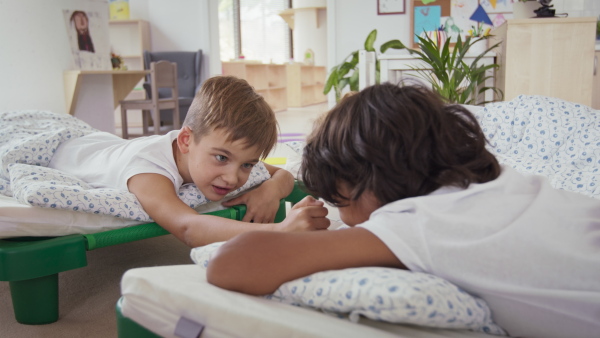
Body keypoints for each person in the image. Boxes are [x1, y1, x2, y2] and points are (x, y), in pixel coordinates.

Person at [206, 83, 600, 338]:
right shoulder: (501, 182)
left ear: (358, 185)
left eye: (337, 200)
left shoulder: (419, 225)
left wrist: (288, 235)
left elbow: (230, 264)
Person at [49, 76, 329, 247]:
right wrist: (280, 230)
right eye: (221, 158)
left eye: (246, 165)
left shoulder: (214, 146)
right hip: (73, 147)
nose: (233, 179)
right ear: (186, 141)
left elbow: (281, 173)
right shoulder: (149, 170)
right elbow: (187, 227)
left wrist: (270, 190)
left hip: (111, 145)